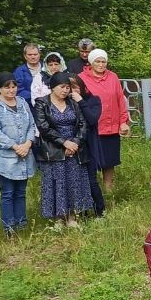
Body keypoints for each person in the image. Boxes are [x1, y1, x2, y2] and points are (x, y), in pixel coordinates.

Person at [33, 72, 94, 228]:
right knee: (57, 182)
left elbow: (82, 124)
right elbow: (43, 127)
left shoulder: (73, 103)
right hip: (53, 148)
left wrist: (75, 143)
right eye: (62, 87)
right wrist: (64, 143)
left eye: (68, 87)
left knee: (73, 181)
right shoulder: (42, 103)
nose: (65, 90)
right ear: (53, 87)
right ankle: (59, 217)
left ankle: (72, 216)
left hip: (74, 148)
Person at [0, 72, 37, 235]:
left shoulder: (22, 102)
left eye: (14, 86)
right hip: (5, 157)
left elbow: (31, 125)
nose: (11, 90)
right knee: (7, 193)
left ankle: (22, 223)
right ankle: (9, 227)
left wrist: (28, 144)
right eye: (7, 87)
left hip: (25, 154)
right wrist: (15, 146)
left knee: (21, 192)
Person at [77, 49, 130, 193]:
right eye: (97, 61)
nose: (101, 64)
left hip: (111, 127)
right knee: (92, 162)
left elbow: (120, 99)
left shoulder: (113, 77)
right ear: (91, 62)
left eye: (103, 61)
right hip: (93, 128)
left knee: (110, 162)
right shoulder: (81, 78)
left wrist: (123, 121)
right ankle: (92, 193)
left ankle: (109, 192)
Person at [69, 76, 106, 217]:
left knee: (91, 179)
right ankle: (81, 212)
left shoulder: (93, 100)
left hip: (89, 145)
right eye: (70, 87)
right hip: (71, 145)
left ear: (82, 87)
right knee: (76, 180)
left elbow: (92, 119)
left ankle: (100, 210)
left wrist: (80, 101)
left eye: (76, 87)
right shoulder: (65, 103)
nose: (74, 91)